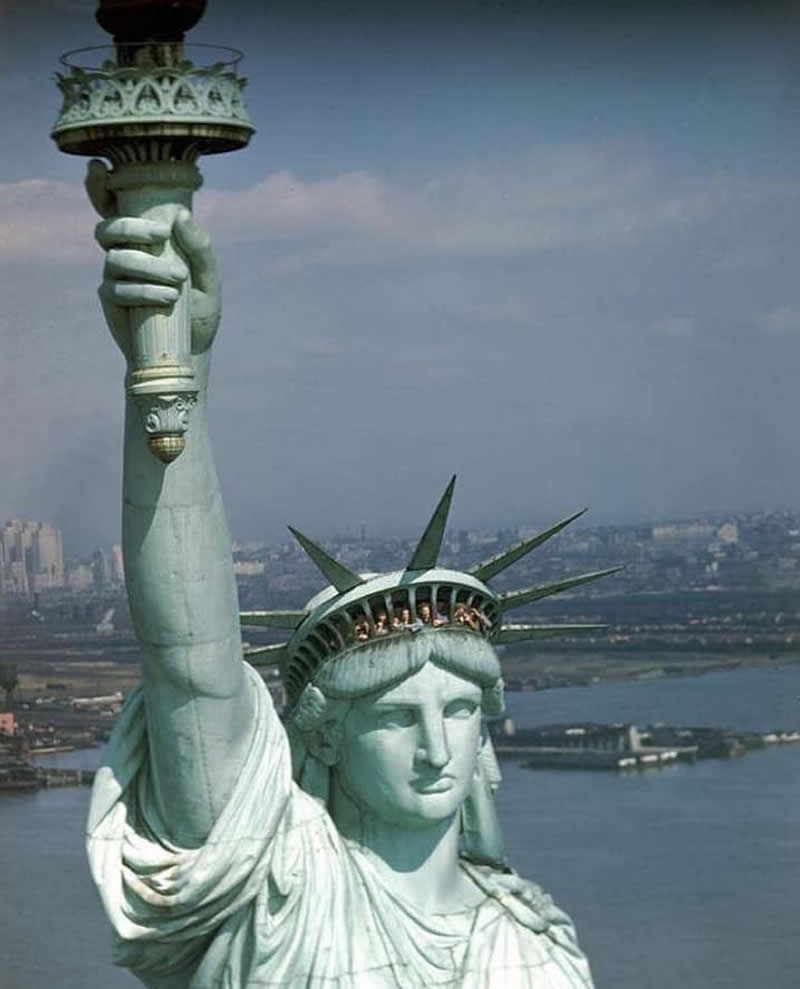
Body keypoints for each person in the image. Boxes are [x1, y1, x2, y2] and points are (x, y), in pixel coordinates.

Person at [84, 161, 594, 989]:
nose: (438, 749)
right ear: (323, 733)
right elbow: (188, 658)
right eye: (396, 717)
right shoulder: (278, 893)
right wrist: (175, 358)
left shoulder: (535, 944)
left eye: (460, 708)